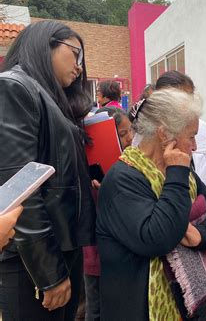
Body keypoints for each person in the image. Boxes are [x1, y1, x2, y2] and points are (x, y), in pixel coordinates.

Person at [96, 89, 206, 320]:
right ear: (165, 135)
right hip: (138, 308)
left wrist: (201, 235)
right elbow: (158, 239)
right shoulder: (122, 179)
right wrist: (176, 172)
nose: (194, 146)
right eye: (191, 136)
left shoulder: (181, 171)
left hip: (183, 302)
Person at [0, 20, 95, 320]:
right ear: (46, 45)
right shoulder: (15, 87)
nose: (80, 67)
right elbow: (19, 190)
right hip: (34, 262)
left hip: (62, 247)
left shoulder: (51, 97)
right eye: (75, 54)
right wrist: (50, 273)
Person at [82, 106, 133, 321]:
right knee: (95, 310)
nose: (130, 138)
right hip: (95, 256)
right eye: (122, 134)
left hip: (121, 255)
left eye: (131, 131)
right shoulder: (89, 174)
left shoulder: (129, 164)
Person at [155, 70, 206, 199]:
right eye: (180, 99)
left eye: (190, 98)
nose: (194, 147)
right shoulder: (149, 136)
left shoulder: (199, 127)